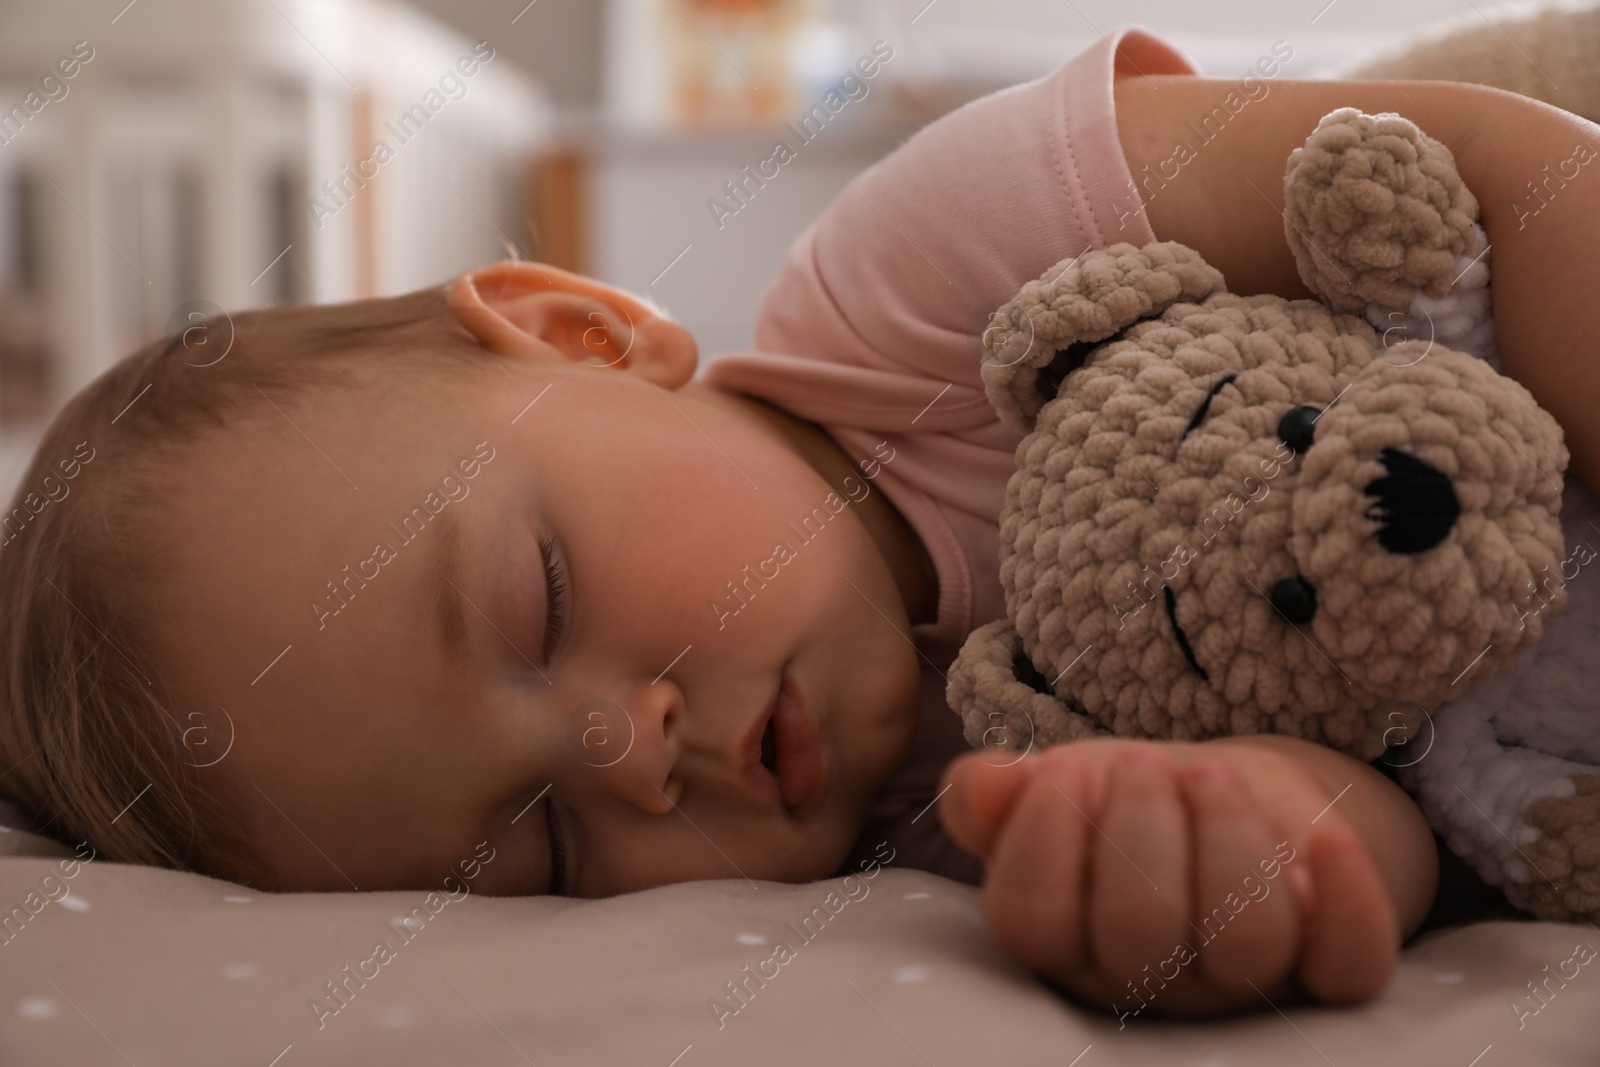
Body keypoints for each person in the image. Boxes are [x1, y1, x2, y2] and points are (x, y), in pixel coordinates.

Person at [3, 25, 1592, 1017]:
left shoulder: (931, 275)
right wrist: (1233, 843)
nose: (630, 753)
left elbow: (1471, 170)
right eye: (544, 852)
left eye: (540, 597)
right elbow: (1393, 795)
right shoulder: (935, 831)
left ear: (581, 337)